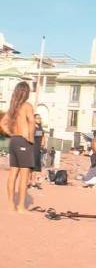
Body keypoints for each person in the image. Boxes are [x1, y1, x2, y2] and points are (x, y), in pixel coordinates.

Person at [2, 82, 35, 212]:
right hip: (23, 141)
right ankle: (21, 206)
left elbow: (2, 123)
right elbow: (32, 121)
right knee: (24, 175)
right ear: (26, 92)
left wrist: (11, 134)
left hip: (14, 141)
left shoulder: (13, 108)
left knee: (12, 174)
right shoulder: (27, 106)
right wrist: (30, 138)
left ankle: (10, 204)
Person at [30, 114, 45, 189]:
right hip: (32, 148)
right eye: (37, 118)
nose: (39, 119)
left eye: (40, 118)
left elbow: (43, 136)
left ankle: (34, 182)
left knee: (36, 167)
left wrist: (43, 145)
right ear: (34, 119)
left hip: (38, 149)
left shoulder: (40, 128)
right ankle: (30, 182)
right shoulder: (32, 127)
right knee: (31, 166)